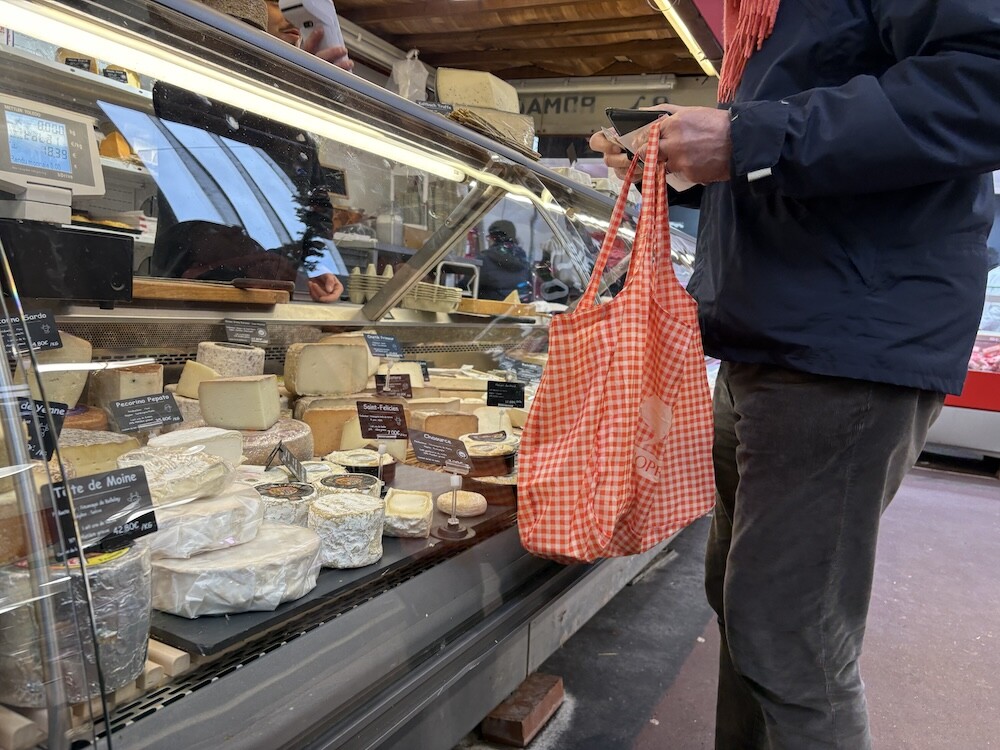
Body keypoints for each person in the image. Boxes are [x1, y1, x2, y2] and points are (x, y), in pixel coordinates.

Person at [591, 2, 1000, 748]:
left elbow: (984, 83)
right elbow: (808, 155)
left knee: (789, 636)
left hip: (846, 337)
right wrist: (694, 163)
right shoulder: (769, 16)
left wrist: (749, 134)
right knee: (746, 605)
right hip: (770, 333)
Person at [150, 0, 352, 302]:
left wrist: (315, 264)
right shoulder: (180, 90)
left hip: (270, 298)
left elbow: (316, 209)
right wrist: (287, 89)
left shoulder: (291, 123)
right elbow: (224, 146)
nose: (291, 21)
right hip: (191, 295)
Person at [476, 219, 532, 301]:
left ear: (493, 238)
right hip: (521, 308)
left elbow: (466, 286)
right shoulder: (524, 262)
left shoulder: (484, 260)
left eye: (489, 237)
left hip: (490, 307)